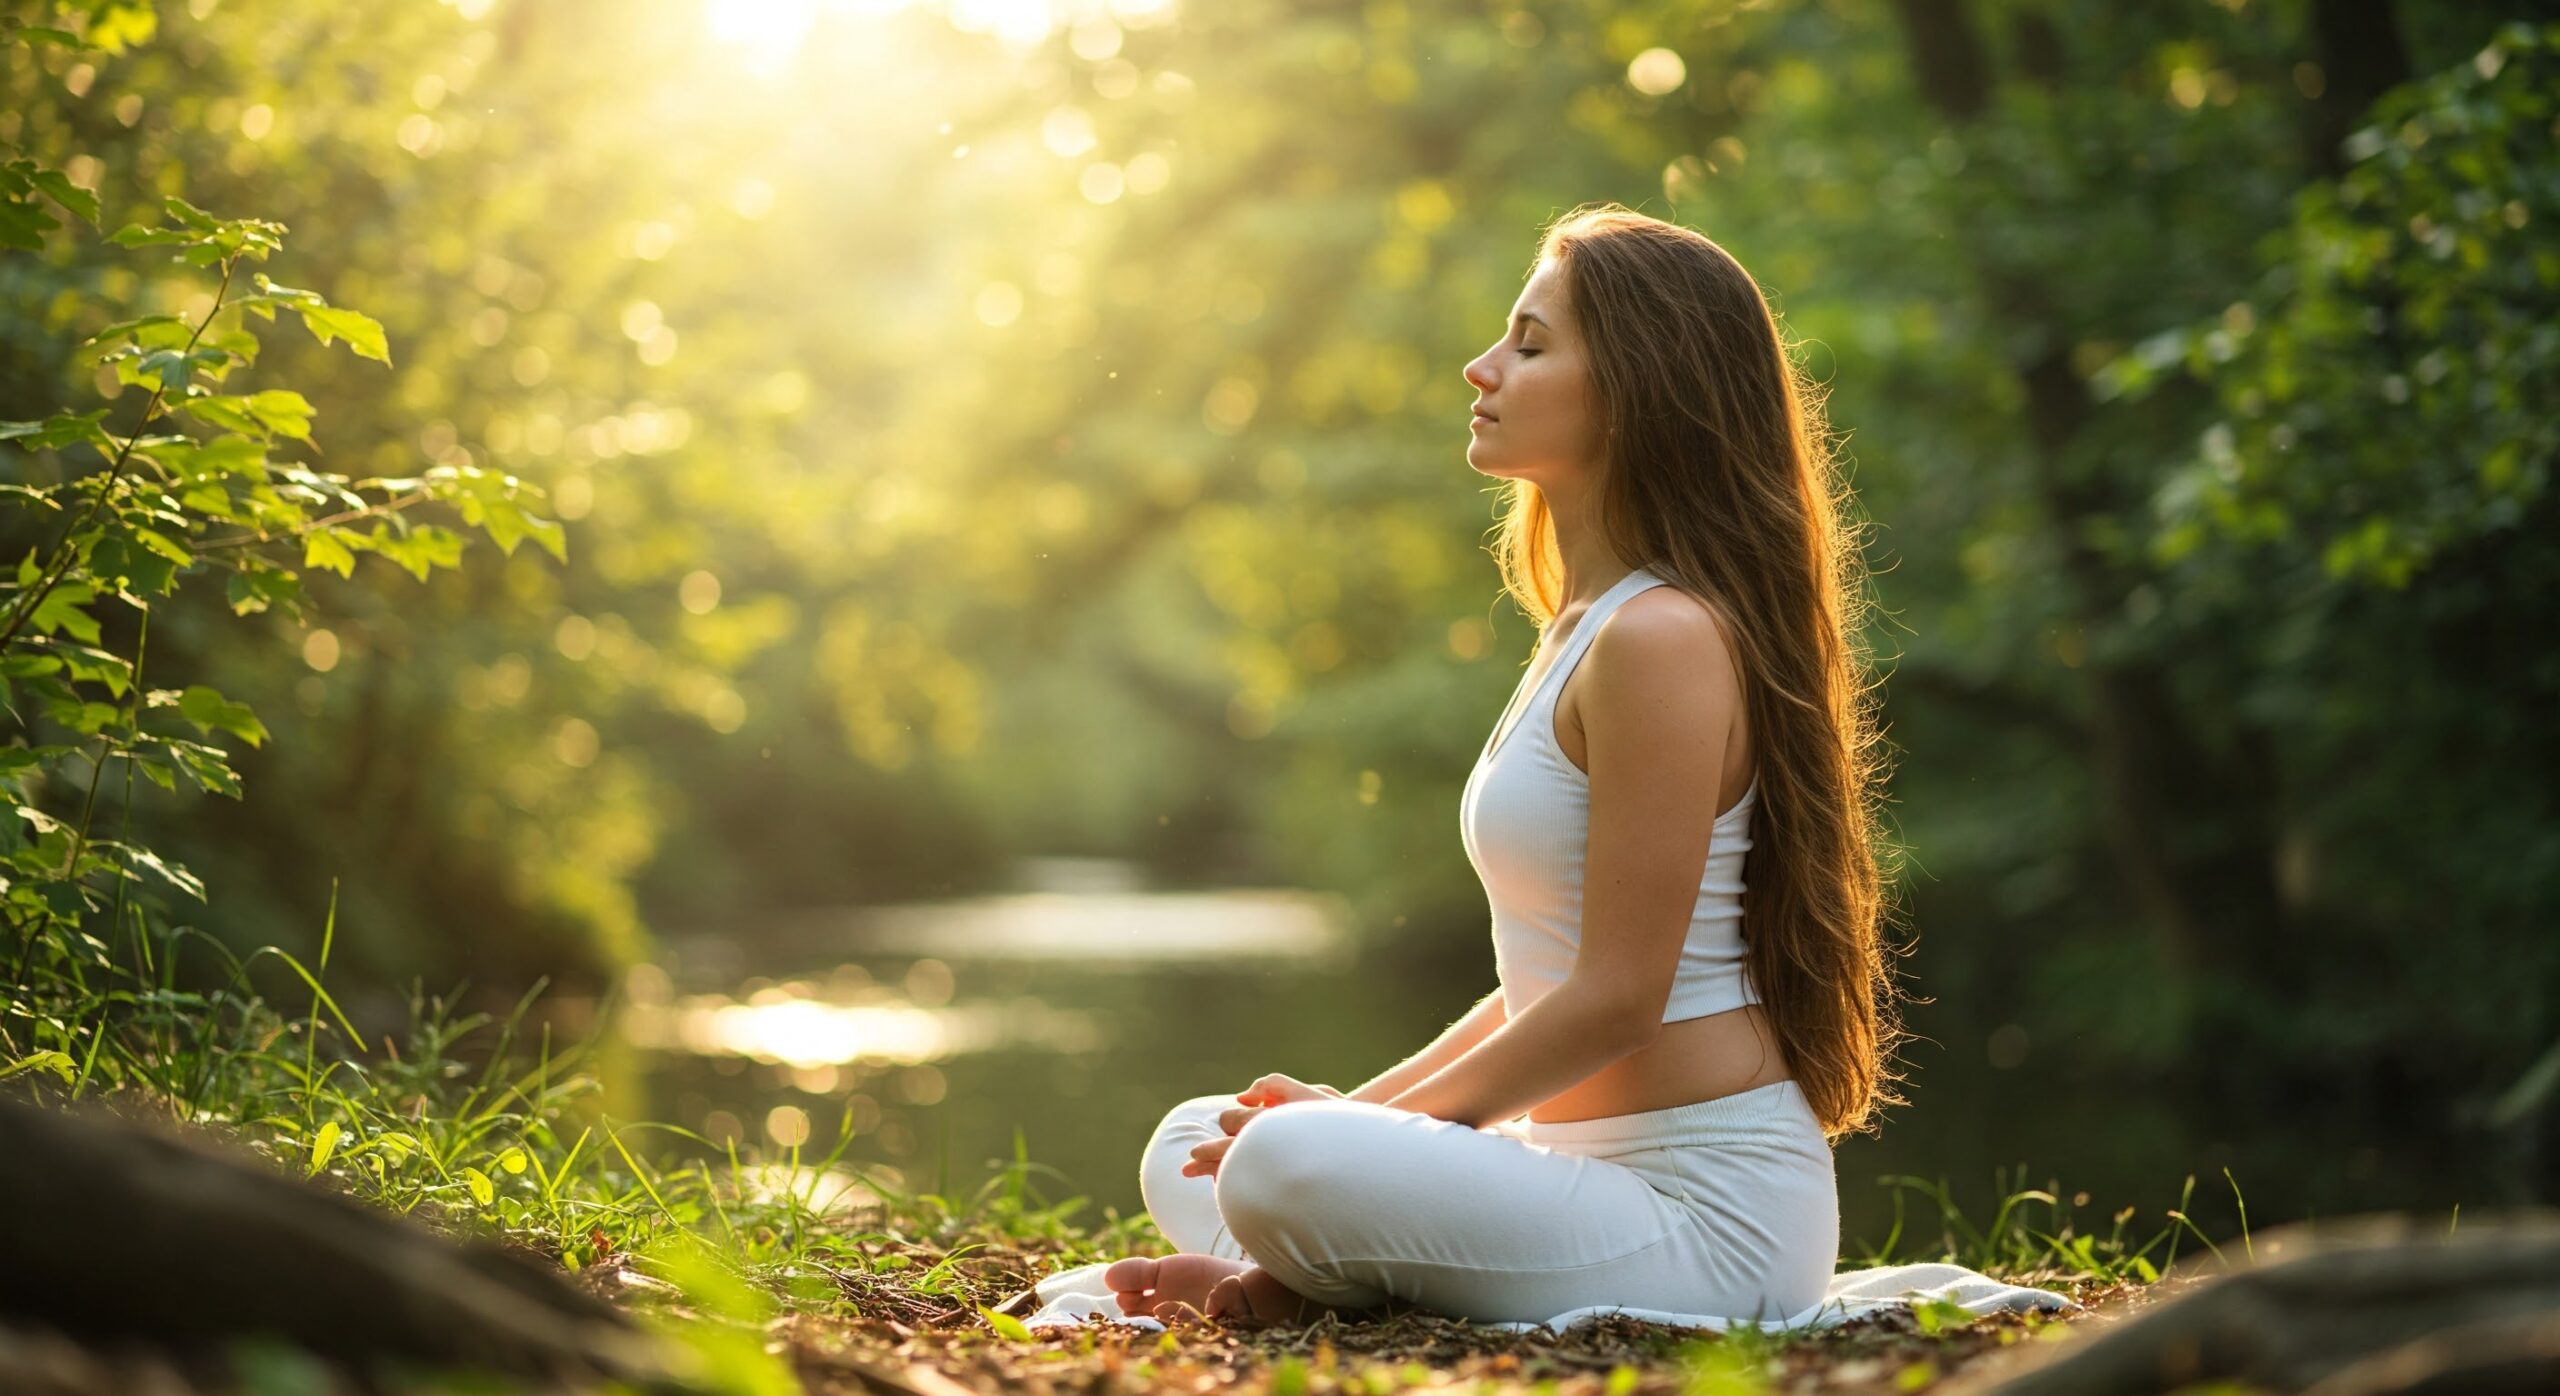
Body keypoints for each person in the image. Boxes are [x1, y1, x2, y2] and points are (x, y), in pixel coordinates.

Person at [1106, 204, 1912, 1329]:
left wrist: (1369, 1134)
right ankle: (1318, 1268)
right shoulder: (1582, 628)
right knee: (1198, 1140)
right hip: (1562, 1165)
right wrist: (1363, 1108)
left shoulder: (1661, 638)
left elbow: (1619, 1001)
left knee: (1280, 1161)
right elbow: (1538, 984)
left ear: (1640, 385)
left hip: (1700, 1211)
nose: (1484, 367)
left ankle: (1309, 1276)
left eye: (1532, 343)